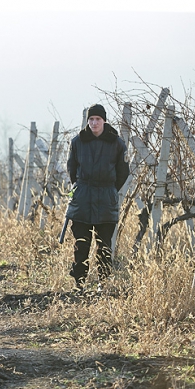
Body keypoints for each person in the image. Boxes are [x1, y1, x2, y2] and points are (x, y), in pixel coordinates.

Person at [65, 103, 130, 291]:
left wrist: (109, 189)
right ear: (88, 121)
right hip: (83, 199)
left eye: (98, 119)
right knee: (81, 244)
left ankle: (103, 281)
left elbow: (123, 172)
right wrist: (82, 187)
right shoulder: (77, 142)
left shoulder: (117, 143)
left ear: (104, 121)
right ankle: (79, 283)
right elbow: (72, 169)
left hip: (106, 199)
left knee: (104, 246)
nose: (94, 123)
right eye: (91, 119)